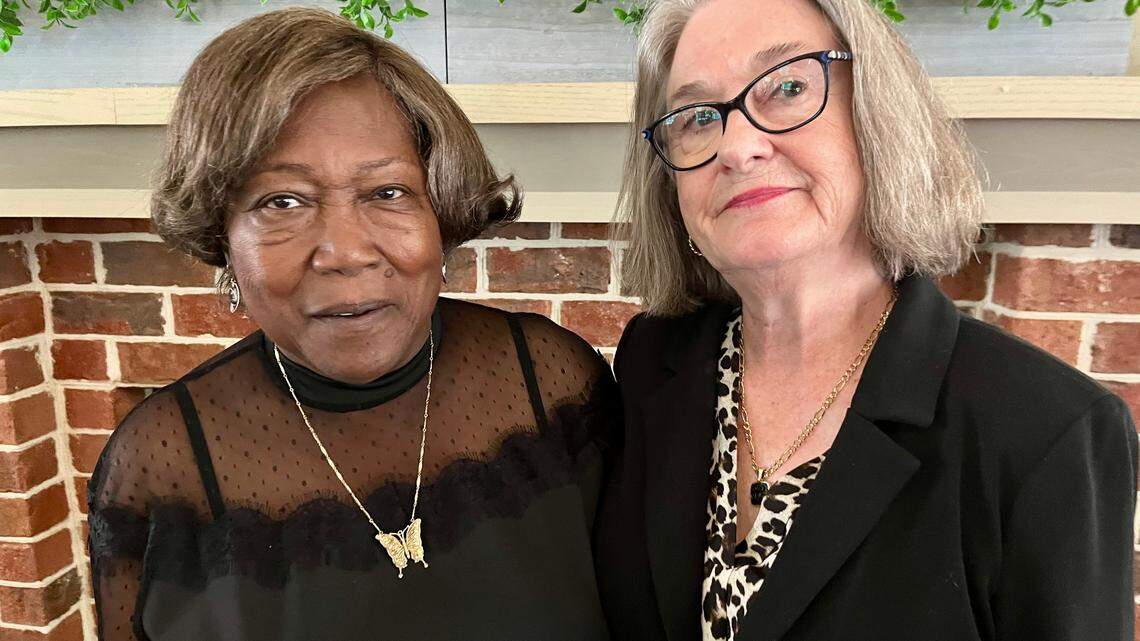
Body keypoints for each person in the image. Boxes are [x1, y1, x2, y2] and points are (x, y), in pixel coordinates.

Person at [592, 0, 1137, 639]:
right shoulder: (651, 365)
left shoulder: (1048, 432)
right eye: (696, 118)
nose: (737, 147)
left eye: (789, 87)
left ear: (877, 116)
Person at [87, 8, 618, 640]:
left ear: (439, 211)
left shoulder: (554, 385)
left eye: (387, 192)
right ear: (222, 237)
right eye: (281, 202)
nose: (345, 252)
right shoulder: (161, 466)